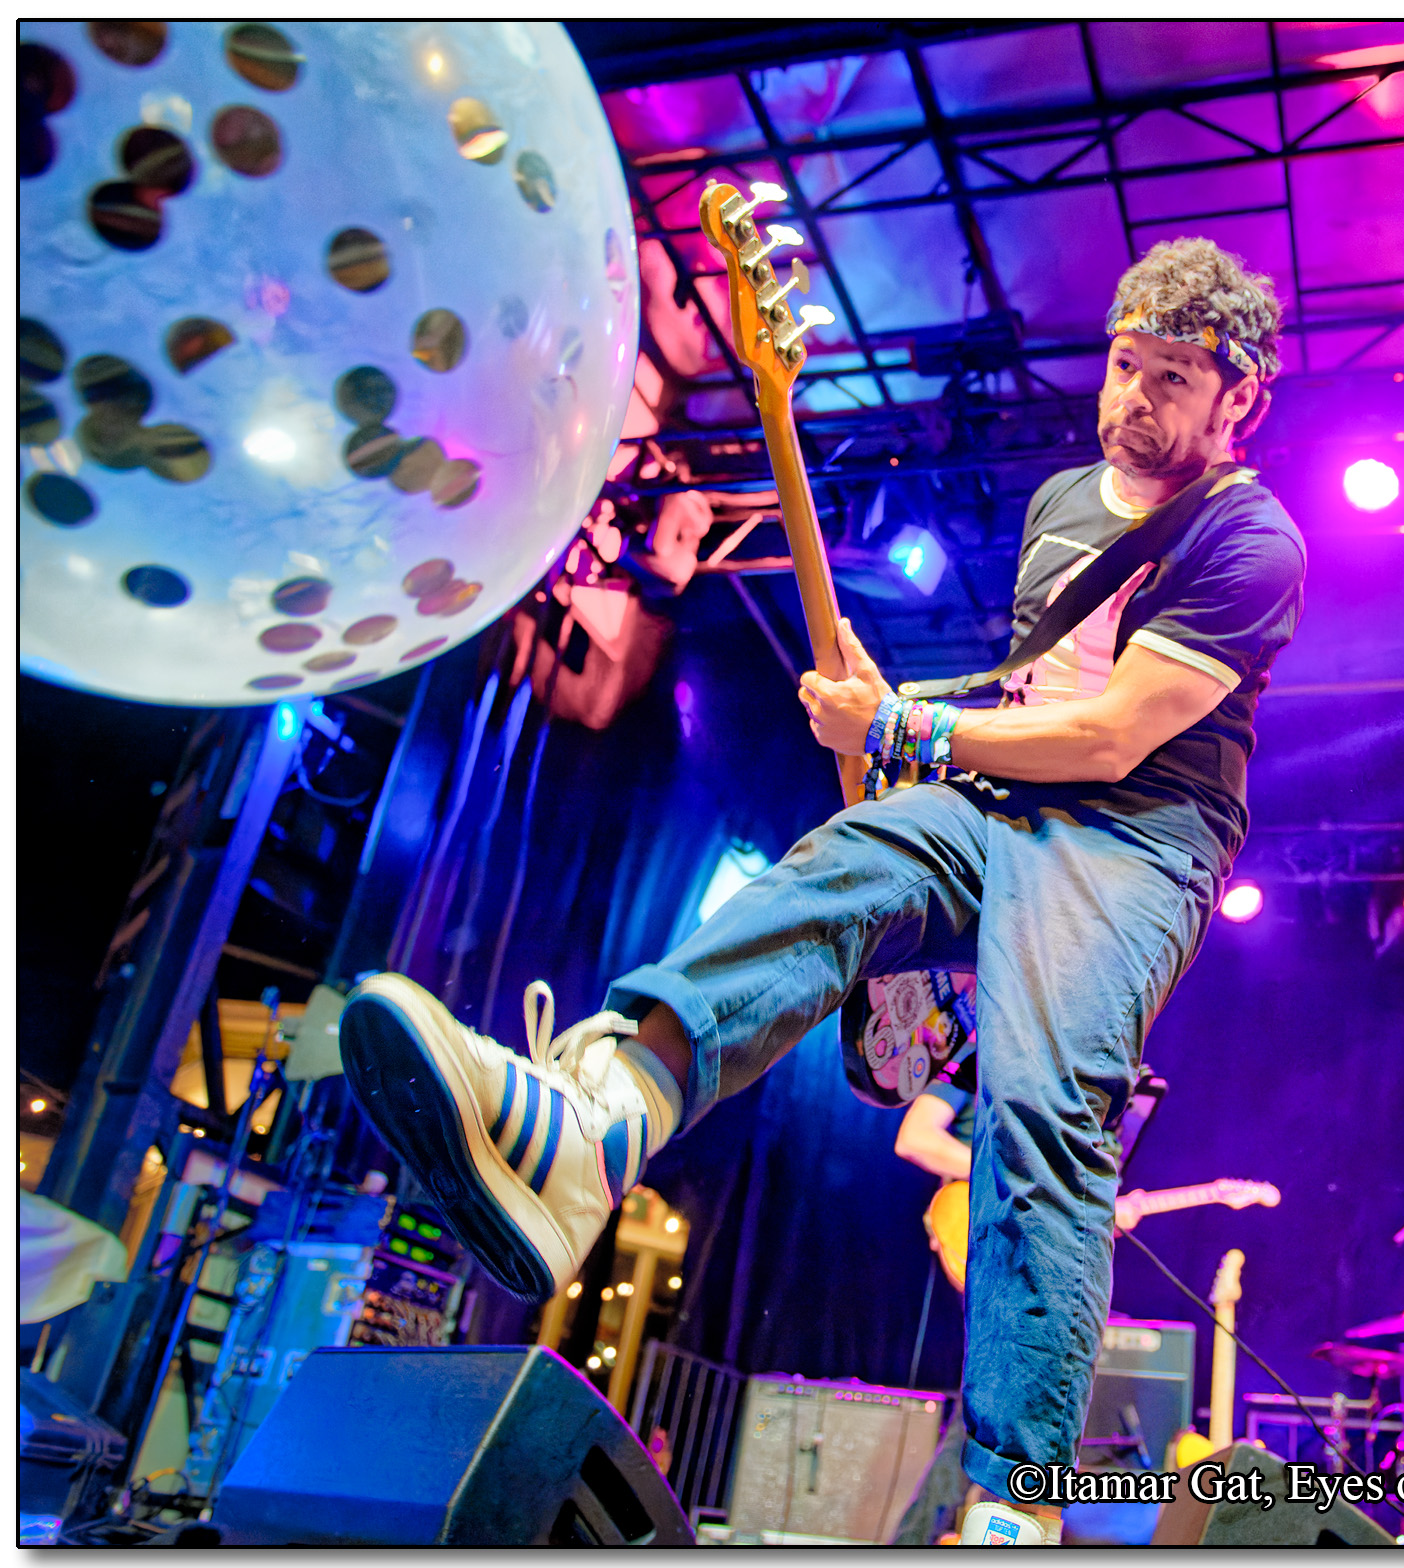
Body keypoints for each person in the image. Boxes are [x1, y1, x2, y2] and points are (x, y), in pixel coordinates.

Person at [336, 237, 1304, 1548]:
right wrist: (900, 724)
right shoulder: (1062, 504)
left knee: (1042, 1105)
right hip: (1006, 807)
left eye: (1171, 378)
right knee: (843, 864)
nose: (1133, 395)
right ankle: (600, 1119)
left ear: (1240, 395)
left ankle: (1018, 1497)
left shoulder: (1253, 538)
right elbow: (1037, 703)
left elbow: (1110, 735)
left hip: (1138, 838)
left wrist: (900, 726)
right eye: (1123, 364)